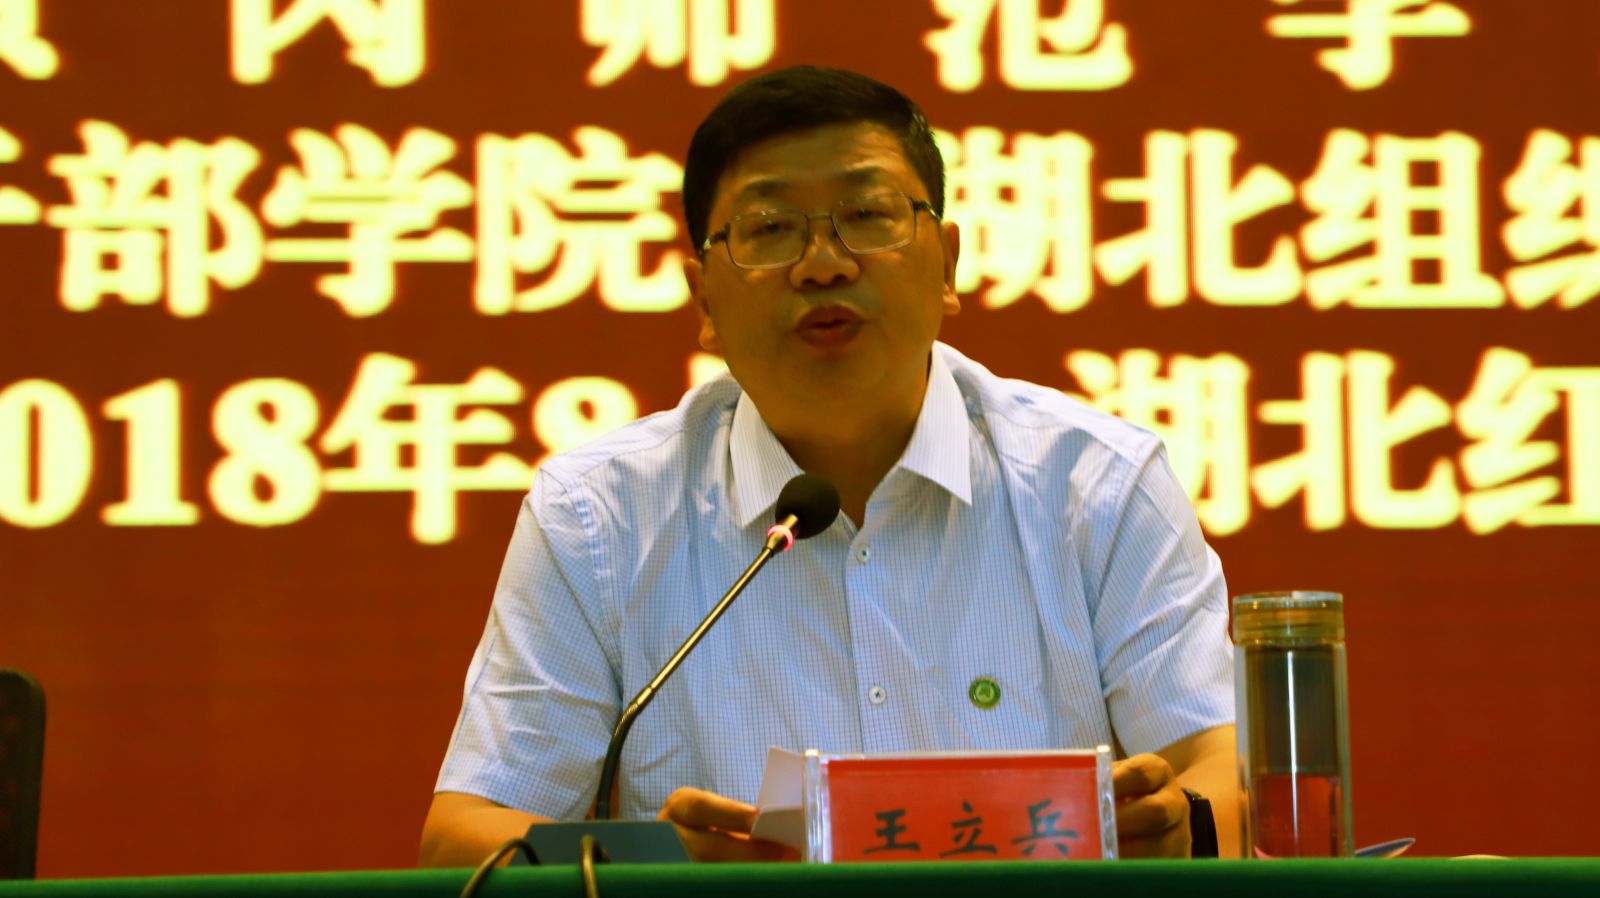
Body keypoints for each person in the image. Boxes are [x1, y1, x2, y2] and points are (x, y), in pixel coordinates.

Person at [420, 65, 1239, 866]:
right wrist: (655, 871)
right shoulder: (598, 517)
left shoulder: (1098, 485)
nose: (823, 264)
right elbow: (463, 835)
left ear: (947, 265)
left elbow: (1229, 776)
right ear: (705, 301)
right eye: (770, 228)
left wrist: (1182, 829)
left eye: (867, 215)